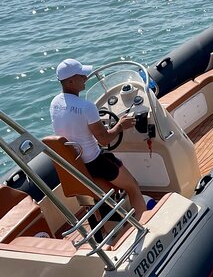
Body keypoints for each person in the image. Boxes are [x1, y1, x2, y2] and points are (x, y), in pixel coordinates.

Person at [50, 58, 146, 219]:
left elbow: (75, 126)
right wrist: (121, 125)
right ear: (71, 81)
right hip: (95, 162)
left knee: (105, 195)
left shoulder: (54, 103)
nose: (85, 78)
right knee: (133, 186)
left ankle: (110, 226)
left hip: (77, 164)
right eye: (82, 76)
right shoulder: (87, 107)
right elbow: (105, 140)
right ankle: (145, 223)